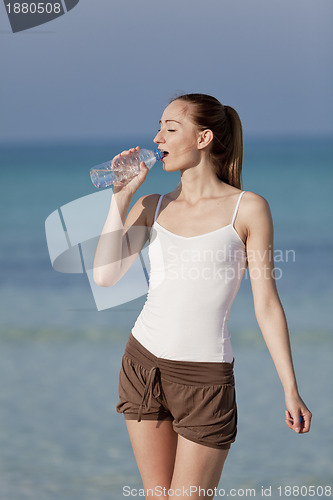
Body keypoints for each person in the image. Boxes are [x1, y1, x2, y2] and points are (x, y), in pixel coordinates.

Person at [93, 94, 312, 499]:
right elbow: (106, 276)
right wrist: (120, 197)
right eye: (158, 127)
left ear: (203, 138)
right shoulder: (151, 205)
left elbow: (266, 304)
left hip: (204, 380)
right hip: (142, 365)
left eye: (170, 129)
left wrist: (290, 387)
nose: (158, 137)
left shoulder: (247, 209)